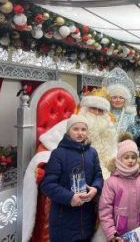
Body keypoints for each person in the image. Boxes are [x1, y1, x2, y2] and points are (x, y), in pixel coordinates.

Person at [22, 89, 118, 242]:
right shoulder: (60, 145)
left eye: (101, 111)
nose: (98, 114)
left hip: (89, 205)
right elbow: (45, 150)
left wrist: (96, 188)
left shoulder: (96, 146)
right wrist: (70, 198)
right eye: (94, 109)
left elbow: (103, 169)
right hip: (65, 212)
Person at [40, 115, 103, 242]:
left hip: (87, 217)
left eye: (83, 129)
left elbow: (98, 175)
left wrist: (95, 188)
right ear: (68, 131)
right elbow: (47, 185)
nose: (80, 133)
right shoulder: (58, 154)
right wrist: (70, 197)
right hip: (64, 219)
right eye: (76, 129)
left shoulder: (92, 153)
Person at [99, 140, 140, 241]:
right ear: (119, 159)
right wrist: (112, 234)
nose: (130, 160)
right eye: (126, 157)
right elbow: (105, 210)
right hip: (119, 233)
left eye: (133, 157)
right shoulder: (111, 182)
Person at [103, 67, 136, 135]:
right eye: (114, 97)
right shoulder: (103, 113)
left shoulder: (131, 115)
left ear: (126, 100)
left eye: (121, 97)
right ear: (109, 99)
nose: (118, 100)